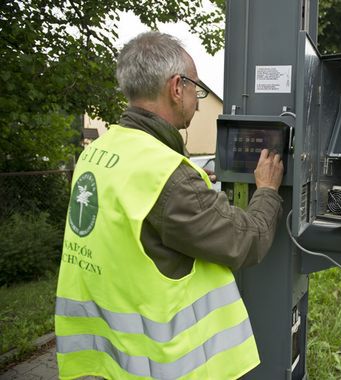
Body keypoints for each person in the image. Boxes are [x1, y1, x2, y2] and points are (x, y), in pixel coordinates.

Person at [55, 32, 284, 379]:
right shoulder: (168, 176)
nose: (197, 99)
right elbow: (245, 241)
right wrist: (267, 189)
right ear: (177, 87)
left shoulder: (96, 154)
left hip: (111, 351)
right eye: (197, 89)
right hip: (162, 362)